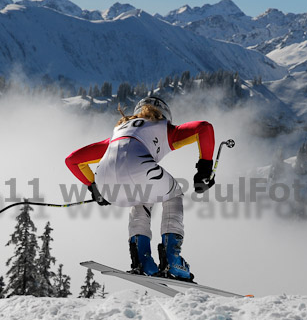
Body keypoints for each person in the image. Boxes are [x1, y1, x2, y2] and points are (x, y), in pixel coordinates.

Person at [65, 96, 215, 281]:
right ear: (164, 115)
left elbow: (72, 160)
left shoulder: (117, 133)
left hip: (104, 178)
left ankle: (142, 261)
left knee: (142, 198)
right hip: (140, 168)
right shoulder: (165, 128)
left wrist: (95, 188)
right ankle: (172, 261)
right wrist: (205, 170)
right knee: (174, 194)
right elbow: (204, 127)